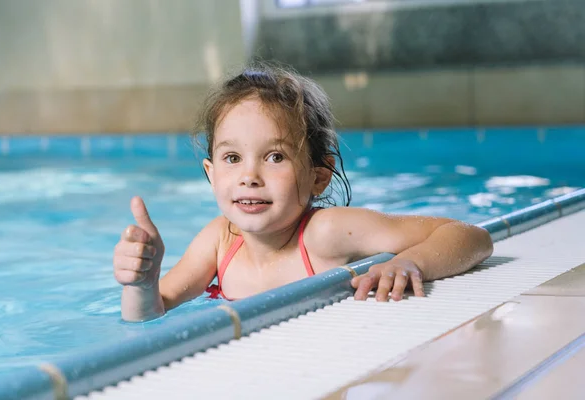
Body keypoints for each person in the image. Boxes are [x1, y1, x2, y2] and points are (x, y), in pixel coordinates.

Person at [113, 64, 493, 322]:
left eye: (275, 156)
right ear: (211, 175)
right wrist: (141, 284)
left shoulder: (323, 234)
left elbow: (471, 236)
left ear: (319, 176)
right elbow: (149, 315)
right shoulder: (219, 241)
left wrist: (412, 263)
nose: (250, 176)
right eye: (232, 157)